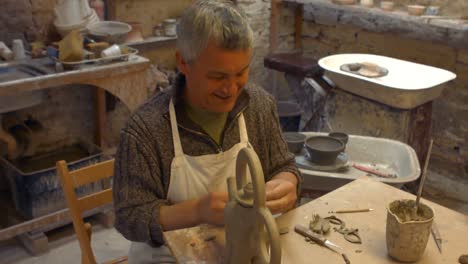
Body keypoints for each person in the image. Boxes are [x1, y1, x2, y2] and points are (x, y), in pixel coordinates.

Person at [113, 0, 302, 262]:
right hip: (169, 256)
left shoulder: (258, 106)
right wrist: (197, 211)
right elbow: (129, 218)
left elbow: (285, 166)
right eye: (217, 76)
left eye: (241, 73)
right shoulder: (146, 130)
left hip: (243, 249)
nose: (231, 88)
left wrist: (287, 183)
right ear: (183, 62)